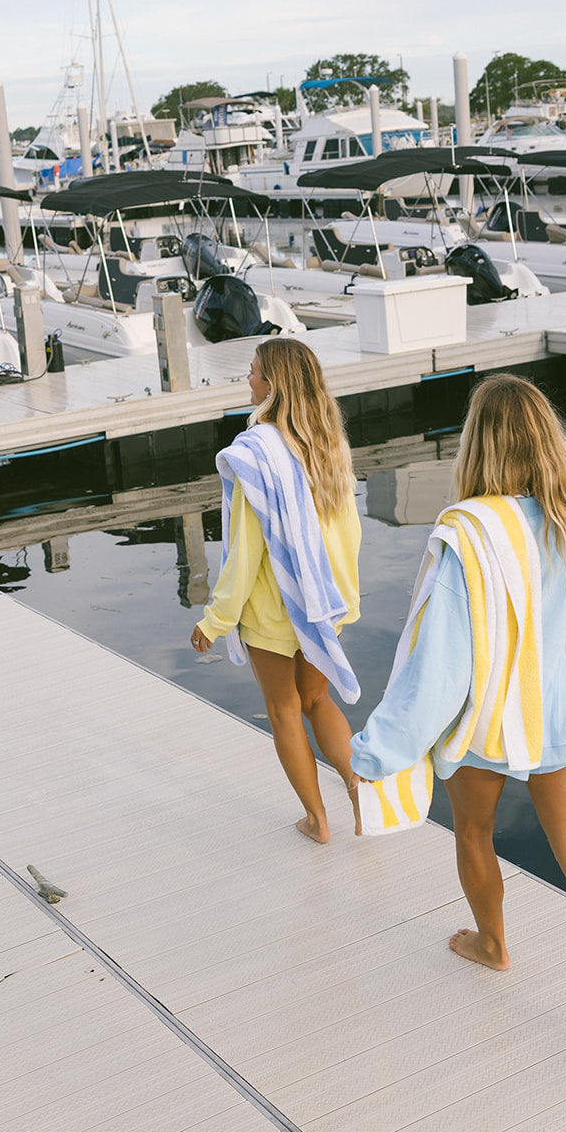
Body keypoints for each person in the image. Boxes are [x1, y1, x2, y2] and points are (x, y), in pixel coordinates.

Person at [350, 373, 566, 1056]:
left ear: (478, 448)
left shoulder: (468, 535)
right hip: (560, 721)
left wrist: (376, 752)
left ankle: (492, 944)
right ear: (548, 442)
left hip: (487, 723)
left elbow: (438, 668)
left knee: (474, 832)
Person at [191, 338, 362, 843]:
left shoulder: (255, 454)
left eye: (253, 372)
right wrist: (339, 599)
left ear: (274, 385)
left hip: (272, 608)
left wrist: (214, 620)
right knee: (318, 701)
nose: (248, 380)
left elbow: (244, 555)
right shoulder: (328, 444)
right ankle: (358, 794)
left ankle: (317, 820)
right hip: (320, 601)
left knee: (284, 711)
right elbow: (348, 531)